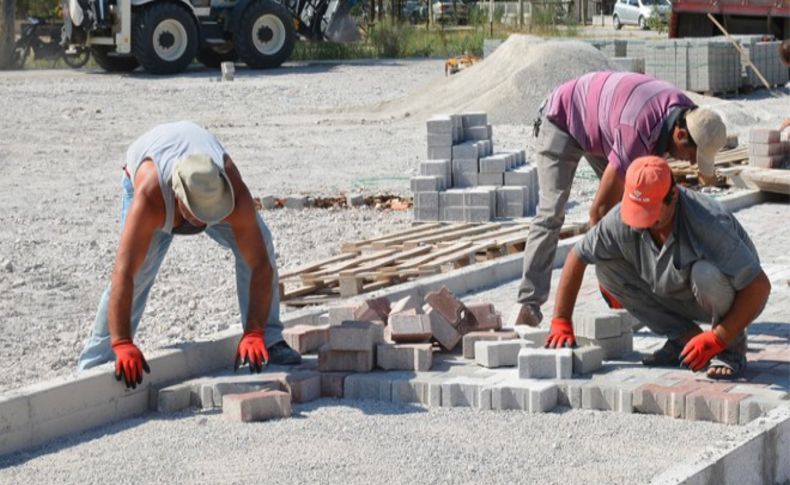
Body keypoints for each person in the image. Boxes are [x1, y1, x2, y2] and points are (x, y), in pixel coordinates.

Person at [78, 121, 301, 388]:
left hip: (198, 176)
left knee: (259, 243)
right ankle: (96, 362)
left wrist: (254, 331)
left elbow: (260, 267)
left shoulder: (231, 191)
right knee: (139, 269)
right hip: (151, 180)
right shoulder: (150, 197)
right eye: (198, 215)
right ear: (180, 198)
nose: (203, 224)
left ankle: (269, 339)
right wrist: (122, 342)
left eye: (211, 215)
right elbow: (123, 273)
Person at [515, 71, 728, 327]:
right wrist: (611, 275)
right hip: (563, 118)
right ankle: (530, 304)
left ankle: (628, 291)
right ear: (680, 135)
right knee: (552, 213)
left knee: (638, 204)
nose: (692, 163)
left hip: (602, 127)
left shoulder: (685, 115)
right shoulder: (638, 129)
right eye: (692, 154)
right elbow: (600, 212)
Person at [544, 156, 771, 379]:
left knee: (705, 274)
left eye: (650, 214)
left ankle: (731, 352)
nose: (642, 221)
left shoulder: (708, 221)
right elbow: (578, 254)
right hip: (674, 289)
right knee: (605, 270)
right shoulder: (621, 217)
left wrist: (718, 337)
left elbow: (759, 287)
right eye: (637, 212)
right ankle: (684, 339)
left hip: (735, 298)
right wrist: (561, 320)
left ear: (672, 196)